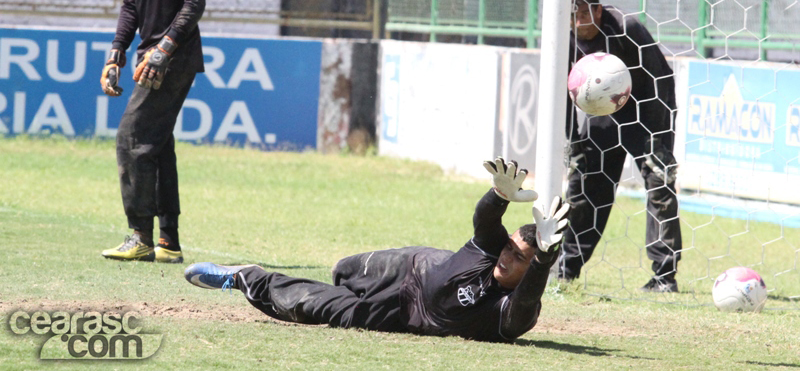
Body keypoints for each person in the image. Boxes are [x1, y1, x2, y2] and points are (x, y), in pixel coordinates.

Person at [184, 158, 570, 342]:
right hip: (407, 269)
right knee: (343, 272)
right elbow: (486, 220)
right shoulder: (490, 249)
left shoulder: (518, 312)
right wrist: (499, 195)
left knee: (317, 307)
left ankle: (243, 276)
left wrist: (545, 260)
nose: (506, 256)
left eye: (519, 257)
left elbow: (525, 302)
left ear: (534, 268)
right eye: (509, 248)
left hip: (402, 316)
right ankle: (342, 282)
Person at [100, 0, 205, 264]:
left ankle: (139, 234)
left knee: (131, 138)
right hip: (147, 55)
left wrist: (164, 49)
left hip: (173, 58)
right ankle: (169, 241)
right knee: (157, 145)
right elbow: (130, 6)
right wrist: (116, 53)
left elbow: (195, 1)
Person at [560, 0, 681, 293]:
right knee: (585, 189)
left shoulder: (626, 27)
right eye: (570, 16)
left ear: (598, 11)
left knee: (659, 183)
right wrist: (572, 139)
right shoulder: (564, 38)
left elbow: (662, 77)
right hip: (601, 117)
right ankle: (564, 269)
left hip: (644, 113)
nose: (576, 23)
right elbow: (562, 93)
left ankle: (664, 277)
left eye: (581, 15)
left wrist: (659, 138)